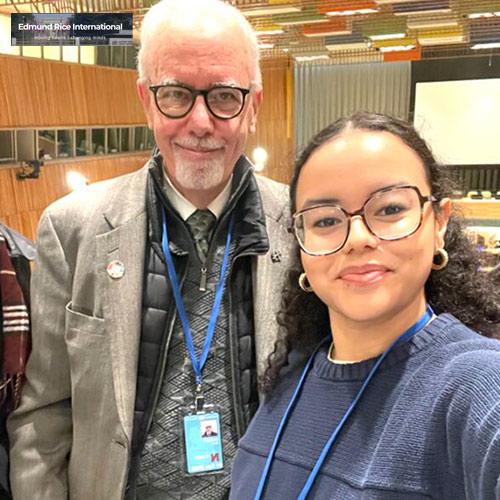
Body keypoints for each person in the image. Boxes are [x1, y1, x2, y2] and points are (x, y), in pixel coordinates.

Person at [7, 1, 293, 498]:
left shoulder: (303, 228)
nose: (200, 122)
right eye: (176, 95)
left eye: (224, 96)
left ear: (253, 106)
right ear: (146, 100)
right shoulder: (71, 229)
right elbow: (43, 418)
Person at [230, 112, 500, 499]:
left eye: (390, 209)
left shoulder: (476, 384)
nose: (357, 238)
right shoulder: (292, 376)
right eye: (325, 220)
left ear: (438, 222)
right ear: (301, 242)